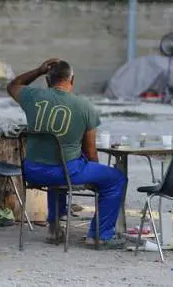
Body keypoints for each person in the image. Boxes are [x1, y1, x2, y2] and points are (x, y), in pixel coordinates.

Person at [7, 58, 126, 247]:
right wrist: (94, 177)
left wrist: (38, 70)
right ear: (72, 80)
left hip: (32, 171)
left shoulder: (32, 96)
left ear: (47, 81)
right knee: (116, 179)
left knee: (59, 169)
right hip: (65, 171)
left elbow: (13, 85)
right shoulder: (85, 107)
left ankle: (54, 230)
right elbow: (91, 152)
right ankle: (98, 235)